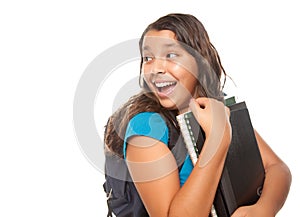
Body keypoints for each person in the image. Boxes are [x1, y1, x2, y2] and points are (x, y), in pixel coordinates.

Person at [104, 13, 291, 217]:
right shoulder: (146, 129)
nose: (156, 68)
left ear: (200, 60)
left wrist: (263, 208)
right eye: (148, 58)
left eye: (171, 55)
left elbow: (277, 168)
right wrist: (217, 140)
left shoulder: (214, 109)